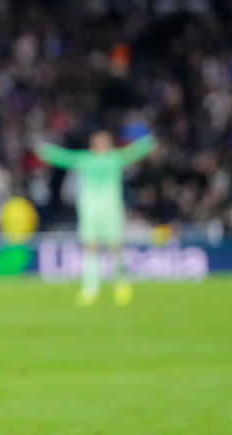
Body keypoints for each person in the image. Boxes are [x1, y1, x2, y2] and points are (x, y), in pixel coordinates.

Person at [37, 129, 155, 306]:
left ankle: (121, 284)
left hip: (111, 209)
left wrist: (147, 142)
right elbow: (64, 158)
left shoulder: (115, 159)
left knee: (114, 246)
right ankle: (91, 288)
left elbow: (134, 152)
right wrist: (46, 151)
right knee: (90, 247)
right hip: (90, 210)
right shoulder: (86, 160)